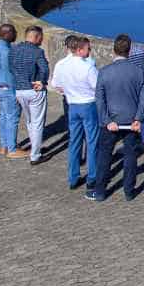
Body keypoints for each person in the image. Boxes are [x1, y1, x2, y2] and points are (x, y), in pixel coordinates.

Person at [90, 34, 144, 202]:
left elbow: (99, 100)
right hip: (131, 121)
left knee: (104, 156)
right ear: (129, 51)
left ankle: (100, 191)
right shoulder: (138, 72)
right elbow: (143, 97)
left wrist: (107, 121)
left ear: (114, 50)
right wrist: (138, 118)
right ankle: (129, 191)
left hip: (111, 121)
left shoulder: (104, 72)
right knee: (130, 156)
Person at [50, 35, 99, 191]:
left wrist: (70, 90)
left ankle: (73, 177)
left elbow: (56, 84)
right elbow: (98, 88)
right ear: (79, 50)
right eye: (87, 48)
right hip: (88, 105)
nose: (89, 51)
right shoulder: (88, 67)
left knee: (74, 141)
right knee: (92, 142)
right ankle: (92, 177)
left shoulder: (61, 64)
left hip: (72, 105)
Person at [10, 25, 50, 165]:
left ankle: (35, 146)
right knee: (37, 123)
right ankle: (35, 155)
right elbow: (44, 69)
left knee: (29, 121)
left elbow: (11, 68)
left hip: (19, 90)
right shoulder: (37, 52)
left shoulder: (14, 50)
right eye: (41, 37)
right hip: (34, 90)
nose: (42, 40)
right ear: (37, 36)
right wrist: (43, 82)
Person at [0, 23, 27, 158]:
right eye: (13, 32)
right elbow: (11, 72)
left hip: (0, 86)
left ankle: (5, 145)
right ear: (6, 34)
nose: (16, 35)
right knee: (12, 118)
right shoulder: (7, 52)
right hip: (9, 88)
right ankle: (12, 149)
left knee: (4, 116)